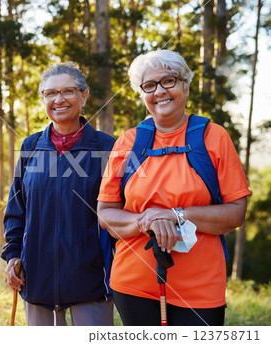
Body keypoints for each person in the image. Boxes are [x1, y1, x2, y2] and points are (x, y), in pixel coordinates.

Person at [97, 50, 251, 326]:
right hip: (133, 283)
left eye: (168, 81)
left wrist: (176, 215)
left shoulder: (214, 137)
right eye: (149, 85)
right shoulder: (128, 142)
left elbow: (236, 213)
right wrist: (147, 219)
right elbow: (106, 212)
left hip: (201, 289)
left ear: (185, 85)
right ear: (142, 94)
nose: (159, 91)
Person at [1, 62, 116, 326]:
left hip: (92, 286)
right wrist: (13, 255)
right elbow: (16, 210)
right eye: (50, 93)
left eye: (68, 91)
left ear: (83, 96)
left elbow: (118, 213)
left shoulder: (106, 147)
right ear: (43, 99)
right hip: (36, 281)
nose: (59, 99)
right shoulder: (30, 147)